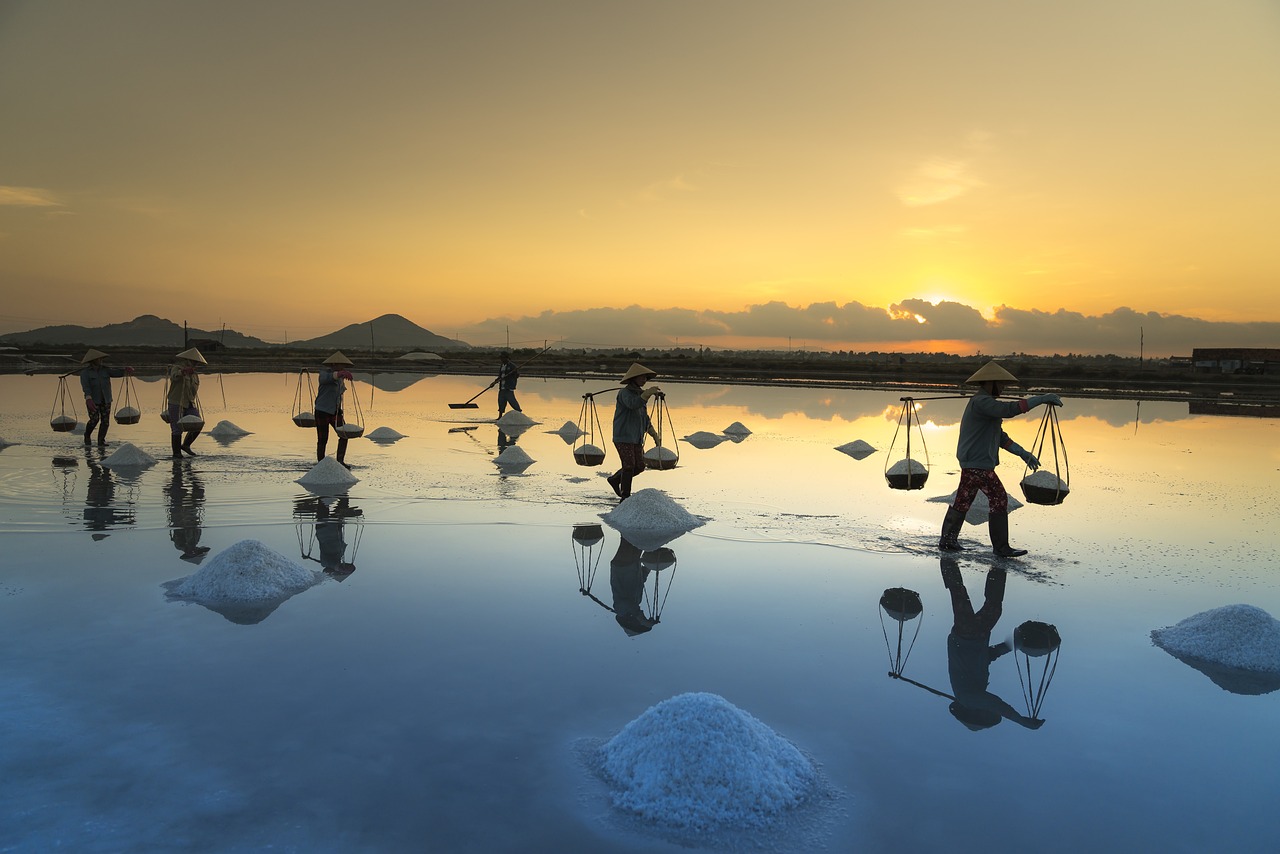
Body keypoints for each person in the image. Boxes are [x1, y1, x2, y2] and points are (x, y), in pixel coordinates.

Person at [938, 361, 1062, 557]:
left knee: (963, 501)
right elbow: (1008, 410)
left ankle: (947, 541)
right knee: (999, 499)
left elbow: (1001, 438)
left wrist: (1023, 453)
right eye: (1001, 384)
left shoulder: (985, 405)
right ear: (990, 383)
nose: (1003, 388)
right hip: (977, 463)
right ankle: (1001, 547)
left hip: (974, 463)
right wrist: (1041, 399)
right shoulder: (982, 402)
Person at [940, 556, 1042, 731]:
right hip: (975, 637)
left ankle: (948, 560)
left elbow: (997, 705)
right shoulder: (974, 688)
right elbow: (987, 657)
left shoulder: (968, 699)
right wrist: (1012, 645)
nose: (989, 712)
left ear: (977, 713)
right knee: (989, 605)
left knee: (960, 593)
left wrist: (1021, 720)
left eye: (986, 714)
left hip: (966, 637)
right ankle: (997, 568)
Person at [606, 363, 661, 500]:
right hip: (623, 436)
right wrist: (647, 394)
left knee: (640, 466)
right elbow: (633, 404)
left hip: (636, 438)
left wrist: (653, 433)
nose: (644, 380)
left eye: (646, 378)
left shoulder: (641, 395)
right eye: (642, 377)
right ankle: (625, 496)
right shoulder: (624, 393)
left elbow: (644, 418)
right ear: (634, 378)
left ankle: (614, 480)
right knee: (629, 465)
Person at [78, 349, 133, 446]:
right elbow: (86, 387)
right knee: (94, 420)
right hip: (93, 400)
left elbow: (116, 373)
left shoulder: (105, 370)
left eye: (101, 359)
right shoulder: (85, 373)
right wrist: (88, 398)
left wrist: (125, 370)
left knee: (105, 421)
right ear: (93, 360)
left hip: (106, 399)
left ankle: (101, 441)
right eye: (98, 359)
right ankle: (87, 435)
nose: (100, 360)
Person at [315, 351, 355, 468]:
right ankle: (320, 464)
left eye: (343, 366)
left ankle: (340, 462)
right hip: (322, 410)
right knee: (323, 438)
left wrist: (342, 377)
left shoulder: (340, 379)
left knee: (344, 434)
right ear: (333, 364)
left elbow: (339, 394)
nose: (343, 367)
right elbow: (326, 379)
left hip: (335, 411)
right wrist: (339, 374)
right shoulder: (324, 374)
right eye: (340, 365)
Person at [167, 348, 206, 459]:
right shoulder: (177, 368)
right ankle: (176, 454)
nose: (196, 364)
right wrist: (183, 372)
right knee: (176, 428)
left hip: (189, 403)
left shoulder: (194, 374)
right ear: (189, 360)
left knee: (198, 424)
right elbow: (174, 376)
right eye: (195, 362)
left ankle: (186, 445)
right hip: (176, 402)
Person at [496, 352, 521, 417]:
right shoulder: (502, 366)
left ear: (507, 358)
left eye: (503, 358)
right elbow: (500, 376)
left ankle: (519, 414)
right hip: (502, 387)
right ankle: (500, 417)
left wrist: (513, 374)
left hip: (508, 388)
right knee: (501, 402)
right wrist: (495, 381)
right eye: (501, 358)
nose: (502, 359)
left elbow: (516, 375)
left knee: (512, 401)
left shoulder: (512, 366)